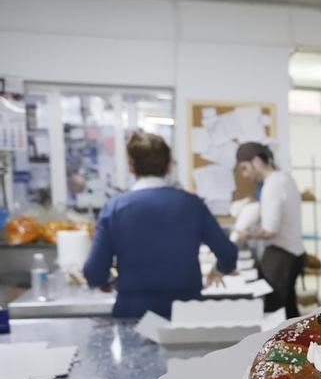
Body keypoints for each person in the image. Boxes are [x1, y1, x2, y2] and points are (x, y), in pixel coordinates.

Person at [84, 132, 237, 318]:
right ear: (167, 166)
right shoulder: (192, 204)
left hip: (134, 312)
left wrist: (107, 280)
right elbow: (228, 254)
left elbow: (94, 273)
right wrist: (218, 269)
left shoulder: (115, 208)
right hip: (186, 312)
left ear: (131, 167)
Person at [235, 142, 305, 318]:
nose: (245, 175)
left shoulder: (272, 184)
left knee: (274, 314)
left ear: (257, 161)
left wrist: (245, 234)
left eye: (245, 168)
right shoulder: (285, 178)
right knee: (289, 312)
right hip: (294, 254)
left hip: (281, 256)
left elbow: (270, 231)